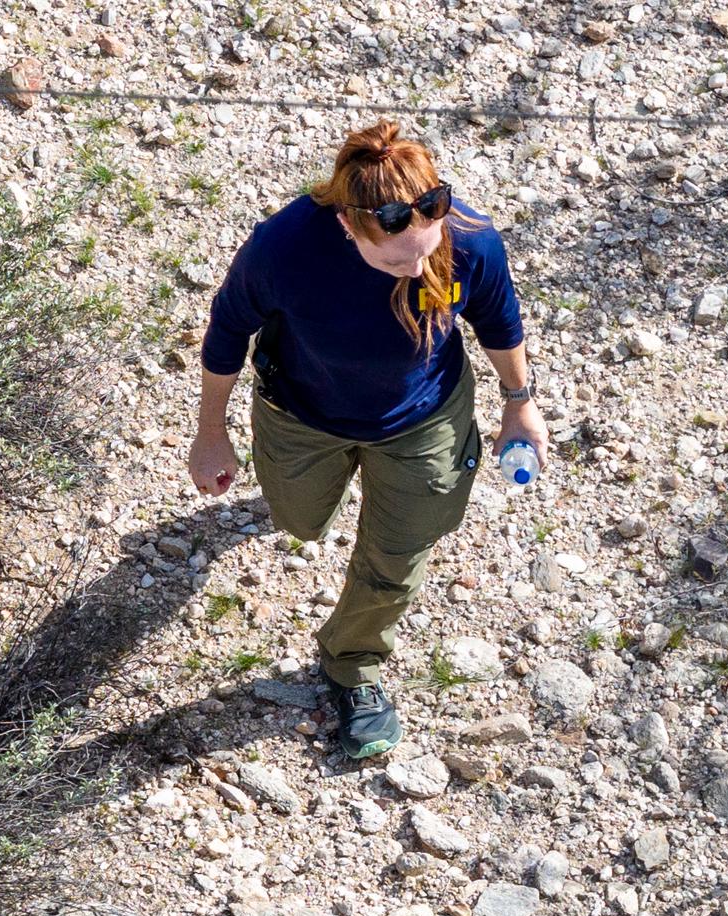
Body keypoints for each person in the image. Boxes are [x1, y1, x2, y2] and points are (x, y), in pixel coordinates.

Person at [188, 120, 551, 761]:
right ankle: (306, 503)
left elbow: (499, 321)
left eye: (424, 247)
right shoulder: (283, 249)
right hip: (303, 413)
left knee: (398, 557)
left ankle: (352, 664)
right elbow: (225, 333)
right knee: (300, 523)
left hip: (425, 419)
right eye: (392, 258)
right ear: (348, 227)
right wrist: (211, 433)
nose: (415, 268)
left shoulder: (469, 239)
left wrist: (519, 406)